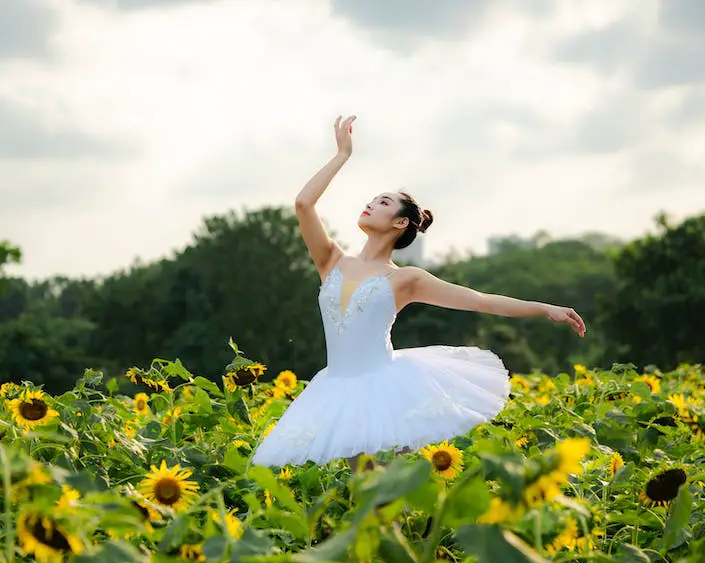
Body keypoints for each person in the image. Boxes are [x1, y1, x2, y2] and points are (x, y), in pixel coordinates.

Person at [251, 115, 586, 470]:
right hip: (337, 389)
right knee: (366, 485)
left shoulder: (406, 279)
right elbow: (304, 204)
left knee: (392, 484)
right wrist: (342, 155)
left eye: (383, 202)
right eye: (373, 199)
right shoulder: (331, 261)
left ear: (400, 223)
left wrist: (544, 308)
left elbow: (478, 300)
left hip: (386, 387)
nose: (371, 204)